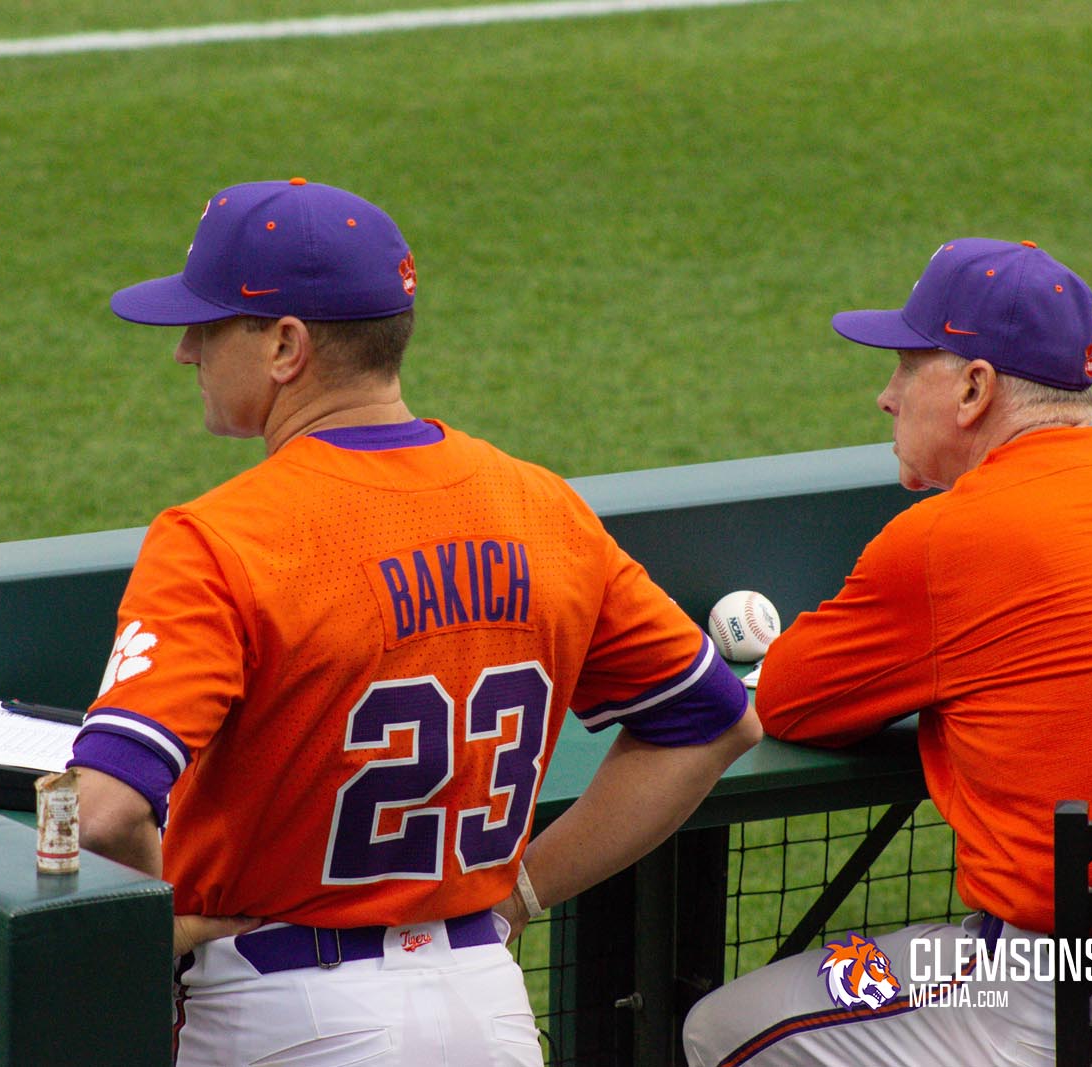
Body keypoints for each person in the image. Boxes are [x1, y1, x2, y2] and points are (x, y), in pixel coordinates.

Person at [66, 177, 763, 1067]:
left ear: (285, 345)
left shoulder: (221, 539)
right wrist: (523, 893)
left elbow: (104, 812)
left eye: (208, 326)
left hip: (280, 1019)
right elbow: (715, 720)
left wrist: (165, 918)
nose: (184, 351)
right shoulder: (541, 508)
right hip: (486, 1007)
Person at [681, 238, 1092, 1066]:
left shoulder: (950, 535)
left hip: (1049, 993)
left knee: (720, 1027)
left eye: (905, 366)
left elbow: (788, 700)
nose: (886, 396)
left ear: (973, 388)